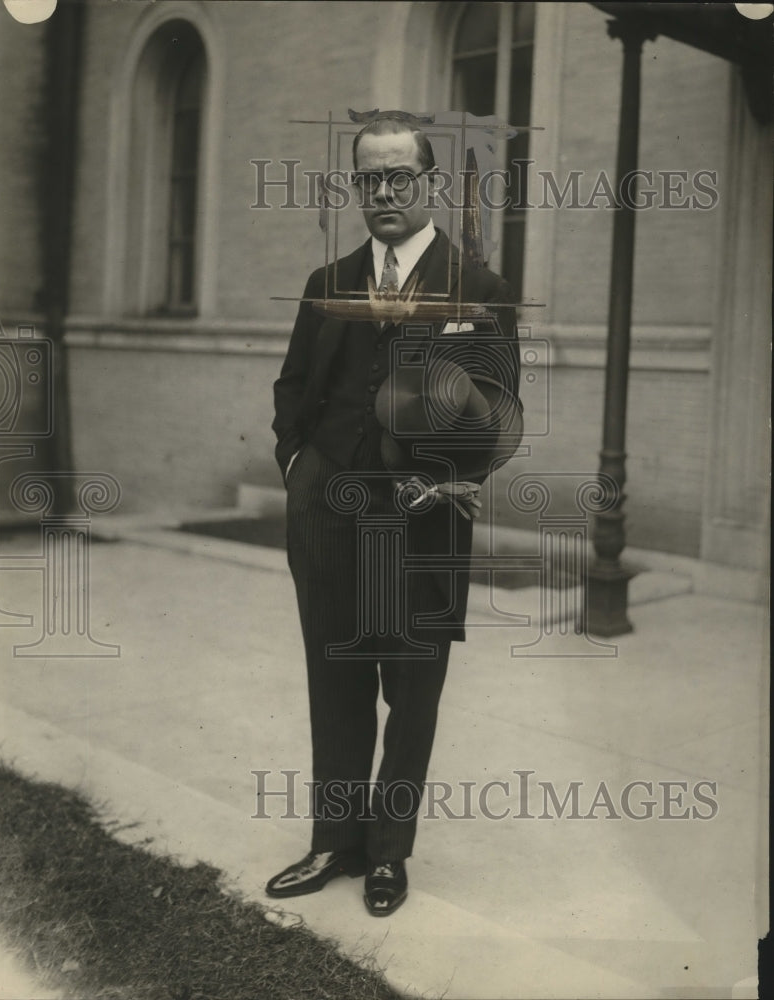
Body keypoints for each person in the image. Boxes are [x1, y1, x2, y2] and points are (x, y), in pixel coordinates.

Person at [268, 111, 522, 916]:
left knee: (412, 690)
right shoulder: (327, 281)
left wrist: (441, 478)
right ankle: (334, 842)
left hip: (423, 522)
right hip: (327, 511)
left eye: (399, 176)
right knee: (334, 678)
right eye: (369, 178)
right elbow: (291, 387)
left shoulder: (475, 286)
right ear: (357, 186)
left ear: (430, 182)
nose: (384, 192)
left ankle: (387, 855)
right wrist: (296, 467)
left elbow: (499, 409)